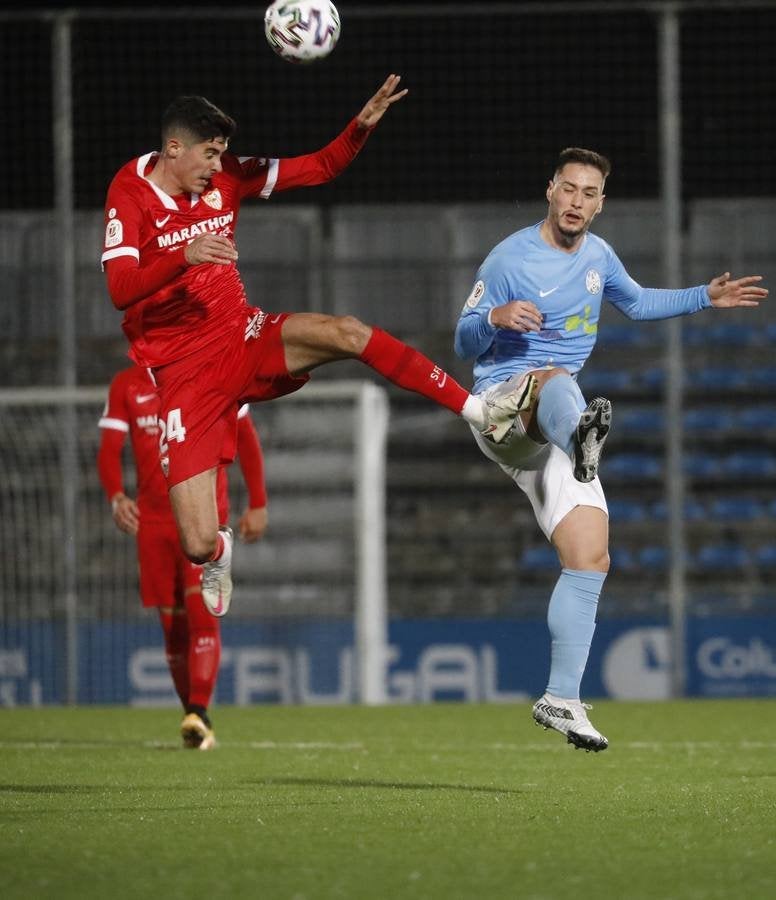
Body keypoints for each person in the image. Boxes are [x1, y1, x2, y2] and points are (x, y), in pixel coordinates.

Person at [100, 74, 528, 618]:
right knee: (196, 542)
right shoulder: (130, 190)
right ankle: (219, 553)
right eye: (208, 154)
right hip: (181, 372)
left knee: (346, 331)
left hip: (241, 335)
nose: (216, 166)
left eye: (221, 155)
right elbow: (120, 290)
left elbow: (321, 166)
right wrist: (182, 257)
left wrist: (360, 127)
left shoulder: (227, 177)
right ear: (174, 148)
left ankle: (477, 411)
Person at [454, 147, 768, 752]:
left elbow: (639, 302)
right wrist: (494, 314)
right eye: (568, 189)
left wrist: (705, 296)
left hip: (554, 432)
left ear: (601, 202)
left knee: (589, 557)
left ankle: (561, 699)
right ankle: (581, 436)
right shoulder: (510, 257)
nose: (576, 202)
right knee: (557, 379)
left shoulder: (598, 256)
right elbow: (463, 335)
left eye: (589, 193)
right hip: (502, 408)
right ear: (550, 190)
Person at [97, 363, 268, 750]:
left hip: (203, 513)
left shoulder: (210, 372)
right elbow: (109, 449)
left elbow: (246, 438)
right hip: (154, 525)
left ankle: (199, 710)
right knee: (173, 631)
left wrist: (257, 503)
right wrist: (116, 497)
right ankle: (193, 720)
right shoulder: (126, 384)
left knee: (202, 617)